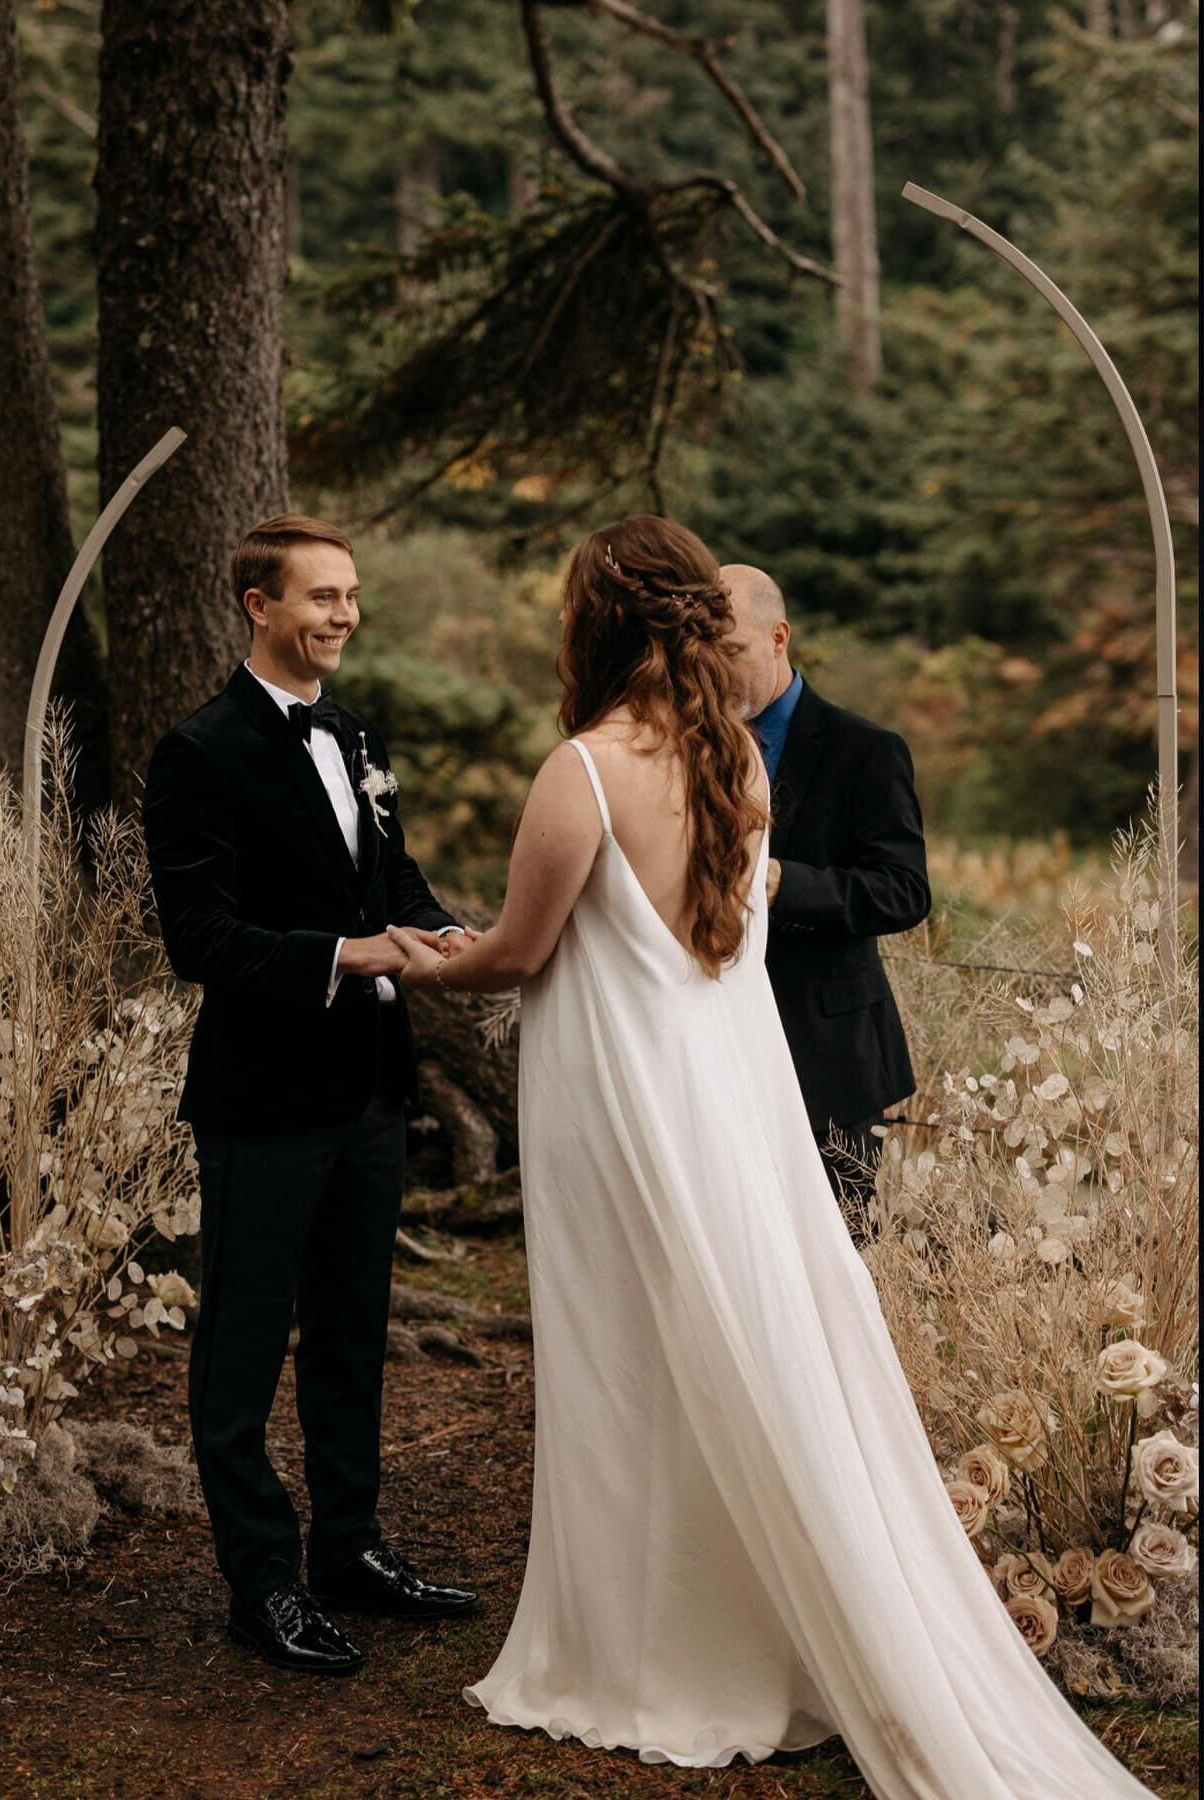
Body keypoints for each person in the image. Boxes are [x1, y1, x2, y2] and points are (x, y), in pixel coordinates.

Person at [387, 516, 1150, 1795]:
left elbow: (518, 954)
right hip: (732, 1111)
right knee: (734, 1352)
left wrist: (427, 954)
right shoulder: (737, 756)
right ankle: (753, 1629)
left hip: (624, 1115)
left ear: (599, 623)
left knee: (630, 1359)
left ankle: (647, 1649)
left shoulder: (582, 769)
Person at [143, 514, 478, 1678]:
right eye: (321, 596)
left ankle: (351, 1550)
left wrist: (446, 934)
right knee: (239, 1354)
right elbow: (201, 939)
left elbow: (391, 878)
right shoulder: (200, 752)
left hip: (369, 1094)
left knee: (350, 1334)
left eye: (349, 597)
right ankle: (263, 1583)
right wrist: (349, 954)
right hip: (263, 1098)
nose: (342, 615)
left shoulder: (354, 732)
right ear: (258, 604)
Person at [722, 563, 930, 1240]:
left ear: (779, 638)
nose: (716, 676)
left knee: (837, 1260)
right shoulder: (693, 750)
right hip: (719, 1048)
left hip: (832, 1060)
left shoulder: (866, 750)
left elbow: (905, 891)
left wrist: (783, 881)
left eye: (732, 654)